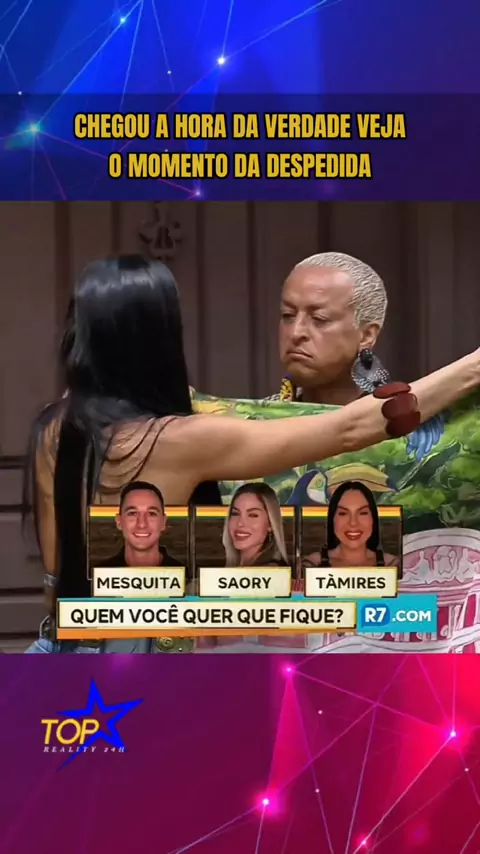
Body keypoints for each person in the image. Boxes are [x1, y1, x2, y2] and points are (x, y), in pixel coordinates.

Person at [22, 254, 480, 653]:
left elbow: (57, 571)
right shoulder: (183, 440)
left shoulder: (54, 425)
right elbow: (351, 428)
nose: (297, 332)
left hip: (61, 648)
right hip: (135, 661)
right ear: (159, 339)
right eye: (287, 315)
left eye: (318, 318)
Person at [302, 481, 398, 569]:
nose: (353, 523)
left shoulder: (392, 564)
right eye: (343, 513)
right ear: (332, 519)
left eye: (363, 513)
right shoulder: (312, 565)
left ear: (373, 518)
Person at [95, 481, 183, 569]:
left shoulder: (186, 575)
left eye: (151, 513)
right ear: (119, 522)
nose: (142, 524)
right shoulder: (97, 575)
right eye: (132, 513)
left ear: (163, 522)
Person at [223, 482, 288, 567]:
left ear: (270, 524)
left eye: (253, 515)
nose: (240, 523)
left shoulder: (271, 571)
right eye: (235, 513)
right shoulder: (238, 567)